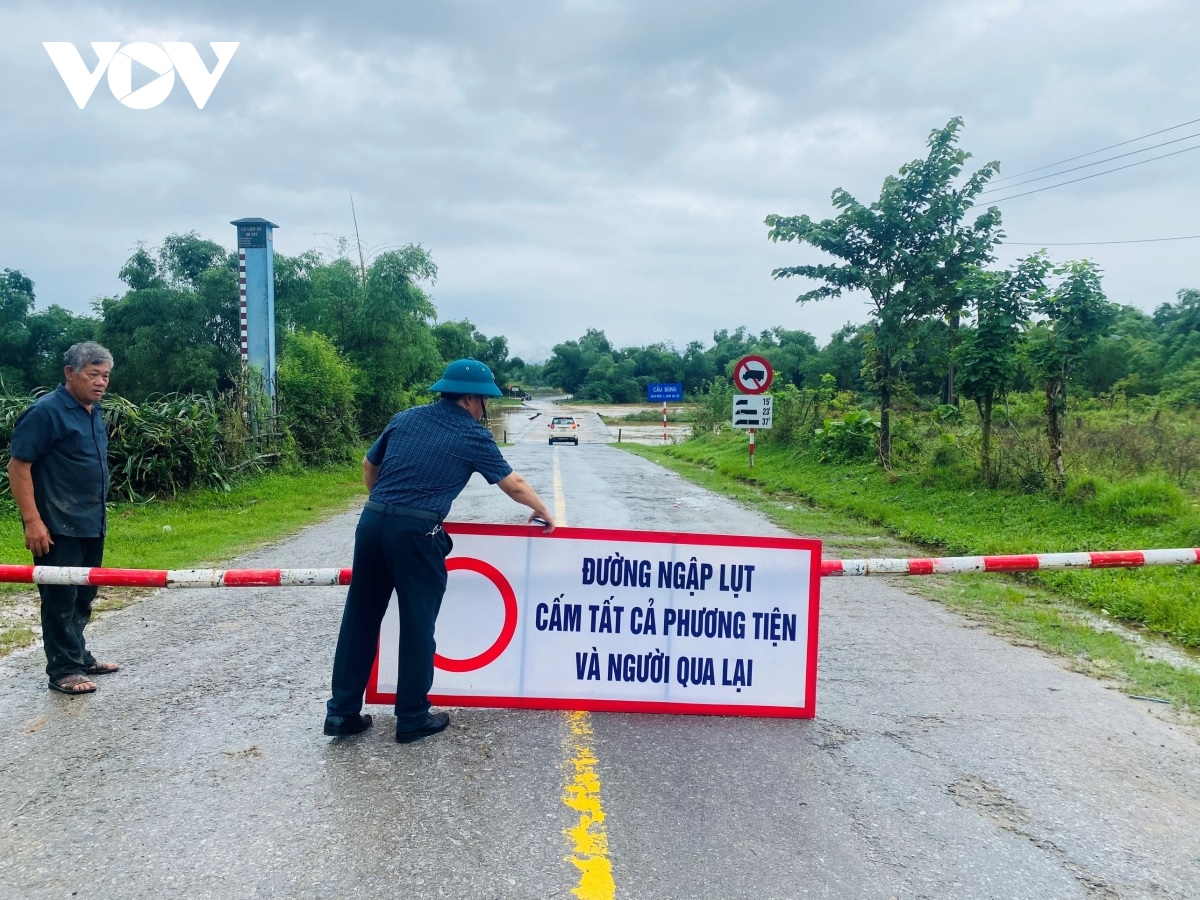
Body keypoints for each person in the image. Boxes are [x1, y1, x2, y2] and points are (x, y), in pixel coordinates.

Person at [325, 358, 555, 743]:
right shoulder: (472, 434)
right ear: (469, 399)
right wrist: (543, 510)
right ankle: (412, 717)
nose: (486, 410)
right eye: (485, 401)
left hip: (372, 522)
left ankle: (341, 713)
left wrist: (386, 508)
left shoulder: (406, 418)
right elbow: (511, 482)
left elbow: (369, 464)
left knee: (360, 619)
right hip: (416, 534)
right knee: (417, 623)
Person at [7, 342, 119, 696]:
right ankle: (63, 669)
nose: (101, 382)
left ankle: (78, 656)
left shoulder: (91, 410)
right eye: (93, 374)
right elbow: (18, 466)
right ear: (70, 373)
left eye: (105, 375)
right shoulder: (46, 412)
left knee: (83, 595)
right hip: (56, 526)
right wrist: (32, 521)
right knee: (59, 598)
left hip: (90, 521)